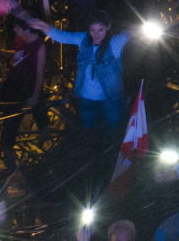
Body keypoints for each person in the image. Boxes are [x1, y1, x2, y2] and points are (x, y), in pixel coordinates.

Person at [25, 12, 131, 145]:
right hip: (87, 97)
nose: (96, 34)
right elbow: (63, 36)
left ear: (108, 27)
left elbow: (131, 34)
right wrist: (45, 27)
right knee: (91, 133)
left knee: (114, 131)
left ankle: (113, 156)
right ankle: (94, 157)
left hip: (110, 99)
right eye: (92, 30)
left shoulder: (115, 42)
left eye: (100, 30)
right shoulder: (84, 40)